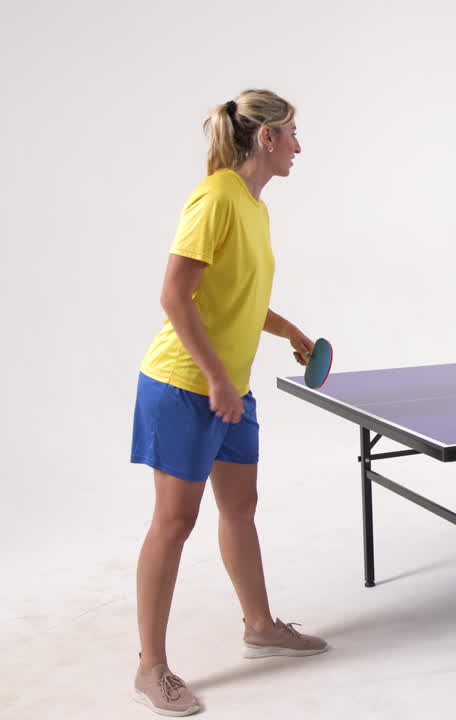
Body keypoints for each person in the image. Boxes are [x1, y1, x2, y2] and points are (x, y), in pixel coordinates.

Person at [130, 89, 326, 716]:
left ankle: (260, 627)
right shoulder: (214, 198)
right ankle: (150, 668)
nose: (300, 145)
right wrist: (216, 379)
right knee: (174, 522)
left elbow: (234, 296)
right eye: (293, 133)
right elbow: (174, 295)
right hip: (185, 387)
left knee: (241, 506)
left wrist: (289, 331)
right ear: (266, 138)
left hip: (228, 388)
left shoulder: (255, 207)